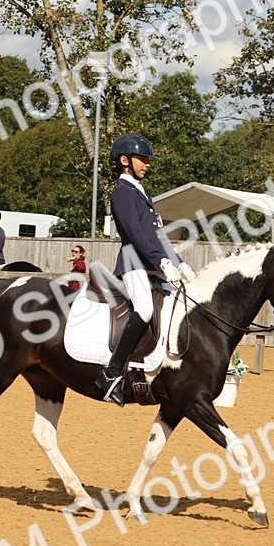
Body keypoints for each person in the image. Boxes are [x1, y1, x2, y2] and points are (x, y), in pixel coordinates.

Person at [95, 133, 195, 406]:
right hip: (133, 263)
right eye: (143, 159)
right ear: (125, 161)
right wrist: (159, 261)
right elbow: (135, 234)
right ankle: (111, 372)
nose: (147, 164)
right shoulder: (122, 193)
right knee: (145, 309)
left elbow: (157, 235)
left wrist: (178, 261)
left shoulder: (140, 192)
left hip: (151, 264)